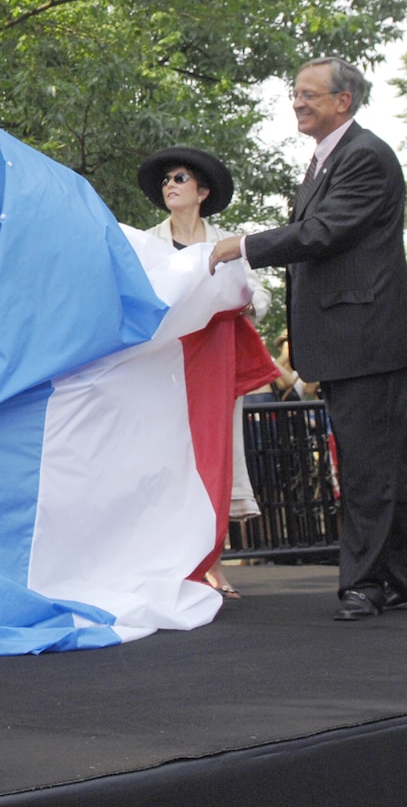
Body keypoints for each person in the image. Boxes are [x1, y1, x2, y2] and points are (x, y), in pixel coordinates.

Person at [210, 56, 407, 620]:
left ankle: (364, 584)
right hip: (346, 339)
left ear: (344, 101)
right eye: (295, 93)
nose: (297, 102)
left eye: (309, 94)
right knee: (384, 463)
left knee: (367, 467)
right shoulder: (325, 161)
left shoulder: (364, 156)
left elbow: (324, 231)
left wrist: (244, 245)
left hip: (365, 338)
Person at [138, 146, 268, 599]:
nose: (169, 185)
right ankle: (169, 565)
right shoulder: (146, 243)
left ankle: (211, 563)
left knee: (214, 458)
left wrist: (245, 298)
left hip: (217, 361)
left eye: (179, 178)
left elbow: (258, 295)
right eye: (166, 179)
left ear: (202, 191)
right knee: (166, 463)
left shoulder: (227, 242)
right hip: (165, 369)